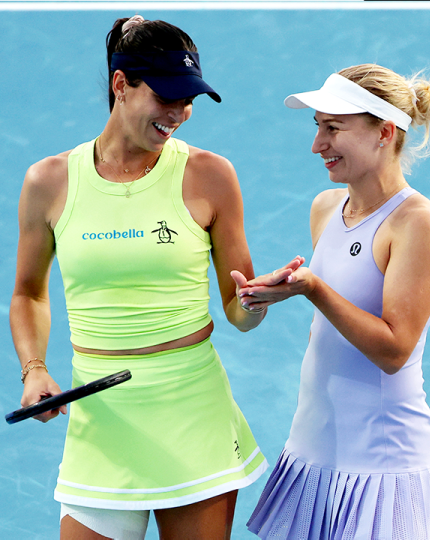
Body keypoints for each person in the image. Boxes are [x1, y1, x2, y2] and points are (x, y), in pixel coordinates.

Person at [12, 15, 270, 539]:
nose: (179, 112)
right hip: (100, 418)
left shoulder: (210, 175)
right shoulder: (50, 182)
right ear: (120, 84)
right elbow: (28, 292)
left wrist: (259, 300)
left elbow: (238, 312)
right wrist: (34, 368)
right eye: (166, 95)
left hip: (192, 413)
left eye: (189, 98)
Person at [241, 64, 430, 539]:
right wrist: (262, 298)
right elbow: (327, 331)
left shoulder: (418, 224)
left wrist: (315, 290)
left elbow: (394, 350)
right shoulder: (325, 208)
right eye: (317, 127)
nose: (317, 144)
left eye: (333, 128)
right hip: (313, 453)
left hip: (383, 464)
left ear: (384, 132)